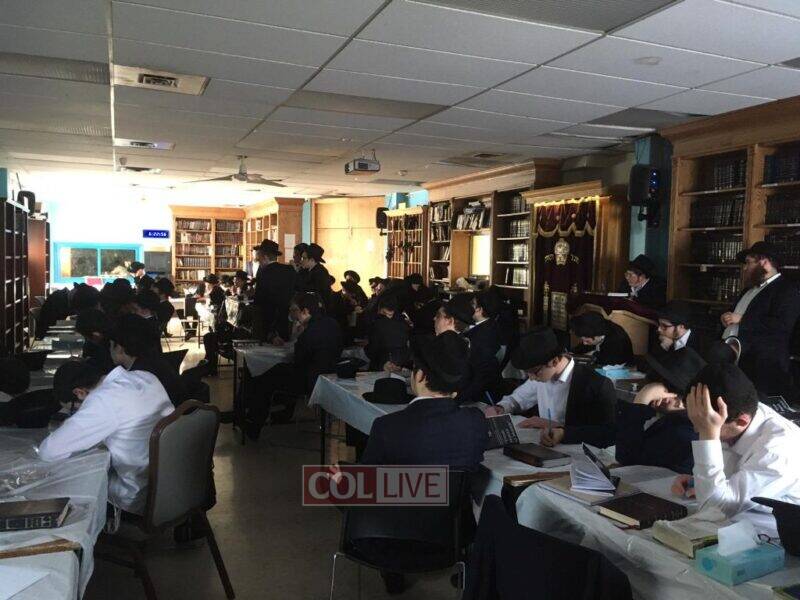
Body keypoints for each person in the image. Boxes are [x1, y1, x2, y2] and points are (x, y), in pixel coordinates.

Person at [672, 363, 800, 530]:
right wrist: (699, 481)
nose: (697, 429)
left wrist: (708, 435)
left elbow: (713, 510)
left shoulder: (777, 450)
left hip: (781, 531)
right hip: (747, 516)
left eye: (704, 424)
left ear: (741, 421)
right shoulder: (740, 412)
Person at [39, 361, 174, 515]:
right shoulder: (144, 376)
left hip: (139, 494)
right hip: (170, 481)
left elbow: (48, 451)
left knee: (68, 481)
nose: (76, 413)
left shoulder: (102, 400)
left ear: (79, 392)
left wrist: (69, 427)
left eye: (73, 409)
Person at [362, 330, 487, 468]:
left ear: (420, 375)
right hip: (457, 483)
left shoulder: (387, 427)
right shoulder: (476, 421)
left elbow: (368, 479)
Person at [485, 327, 616, 448]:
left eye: (534, 372)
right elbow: (518, 399)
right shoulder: (541, 375)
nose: (531, 378)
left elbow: (608, 433)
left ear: (554, 361)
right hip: (546, 446)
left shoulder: (596, 384)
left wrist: (563, 431)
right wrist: (501, 408)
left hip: (580, 453)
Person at [246, 292, 342, 436]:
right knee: (275, 372)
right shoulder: (332, 323)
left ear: (305, 311)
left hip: (310, 380)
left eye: (296, 311)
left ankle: (253, 424)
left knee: (264, 378)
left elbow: (299, 359)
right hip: (331, 377)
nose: (294, 315)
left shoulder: (309, 331)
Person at [716, 241, 800, 397]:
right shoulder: (749, 290)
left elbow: (782, 325)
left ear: (764, 262)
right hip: (734, 361)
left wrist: (742, 319)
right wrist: (725, 318)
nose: (745, 268)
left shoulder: (787, 290)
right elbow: (736, 317)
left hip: (762, 366)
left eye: (749, 262)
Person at [615, 348, 706, 474]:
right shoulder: (675, 419)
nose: (656, 392)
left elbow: (626, 457)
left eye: (663, 388)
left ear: (681, 400)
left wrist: (642, 399)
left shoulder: (683, 433)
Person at [109, 314, 188, 407]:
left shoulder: (135, 380)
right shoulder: (155, 362)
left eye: (110, 345)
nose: (109, 350)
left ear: (119, 348)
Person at [458, 292, 502, 404]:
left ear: (479, 310)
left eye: (472, 305)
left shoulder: (485, 333)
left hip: (481, 396)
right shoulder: (484, 326)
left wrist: (460, 397)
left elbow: (483, 373)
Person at [252, 239, 296, 342]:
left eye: (259, 259)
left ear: (265, 257)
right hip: (287, 318)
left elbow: (258, 300)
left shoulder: (263, 273)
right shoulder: (289, 270)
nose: (259, 262)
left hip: (268, 319)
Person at [365, 293, 409, 371]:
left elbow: (373, 349)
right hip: (401, 362)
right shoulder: (403, 323)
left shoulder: (377, 323)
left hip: (383, 363)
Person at [75, 308, 115, 373]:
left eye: (86, 337)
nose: (86, 340)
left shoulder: (113, 347)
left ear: (95, 335)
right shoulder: (110, 339)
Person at [297, 243, 332, 307]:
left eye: (304, 258)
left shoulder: (320, 272)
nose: (301, 261)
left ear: (312, 260)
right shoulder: (307, 270)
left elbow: (315, 292)